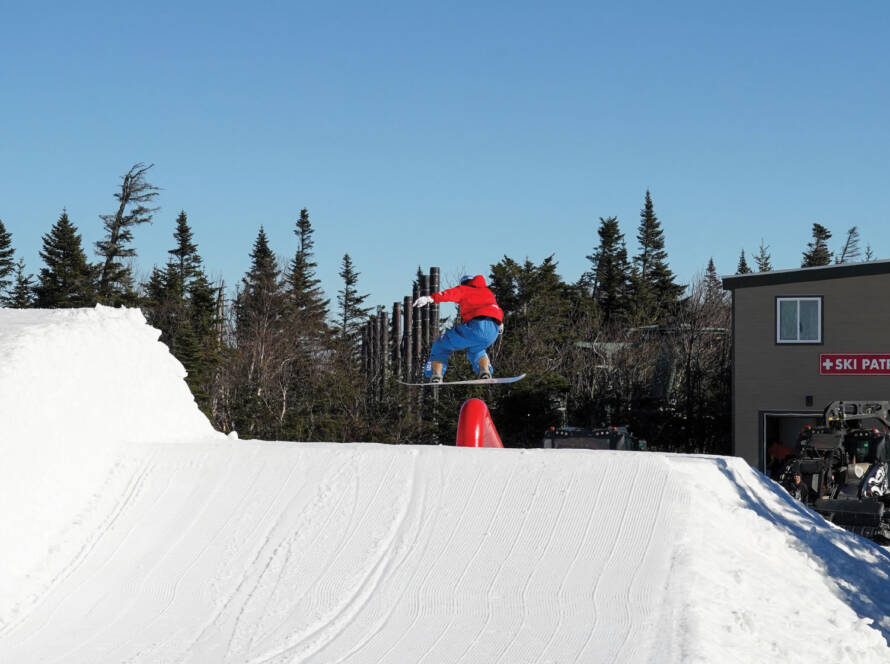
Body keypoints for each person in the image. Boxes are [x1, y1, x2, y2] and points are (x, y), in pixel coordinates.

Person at [412, 274, 504, 383]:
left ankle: (435, 374)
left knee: (441, 344)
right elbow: (493, 308)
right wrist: (500, 323)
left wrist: (430, 298)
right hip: (493, 329)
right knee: (477, 349)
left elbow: (449, 294)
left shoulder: (465, 289)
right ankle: (484, 371)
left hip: (476, 327)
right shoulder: (487, 292)